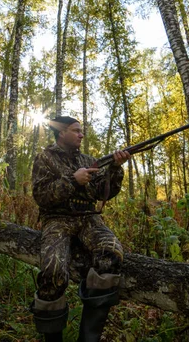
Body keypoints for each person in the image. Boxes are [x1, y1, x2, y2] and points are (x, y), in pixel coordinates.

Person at [30, 116, 130, 342]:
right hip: (57, 219)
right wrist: (73, 181)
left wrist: (114, 168)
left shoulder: (88, 159)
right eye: (76, 131)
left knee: (111, 254)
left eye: (81, 131)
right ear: (62, 132)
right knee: (52, 270)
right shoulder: (45, 158)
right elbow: (41, 196)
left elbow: (103, 193)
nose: (81, 135)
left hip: (88, 218)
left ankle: (88, 338)